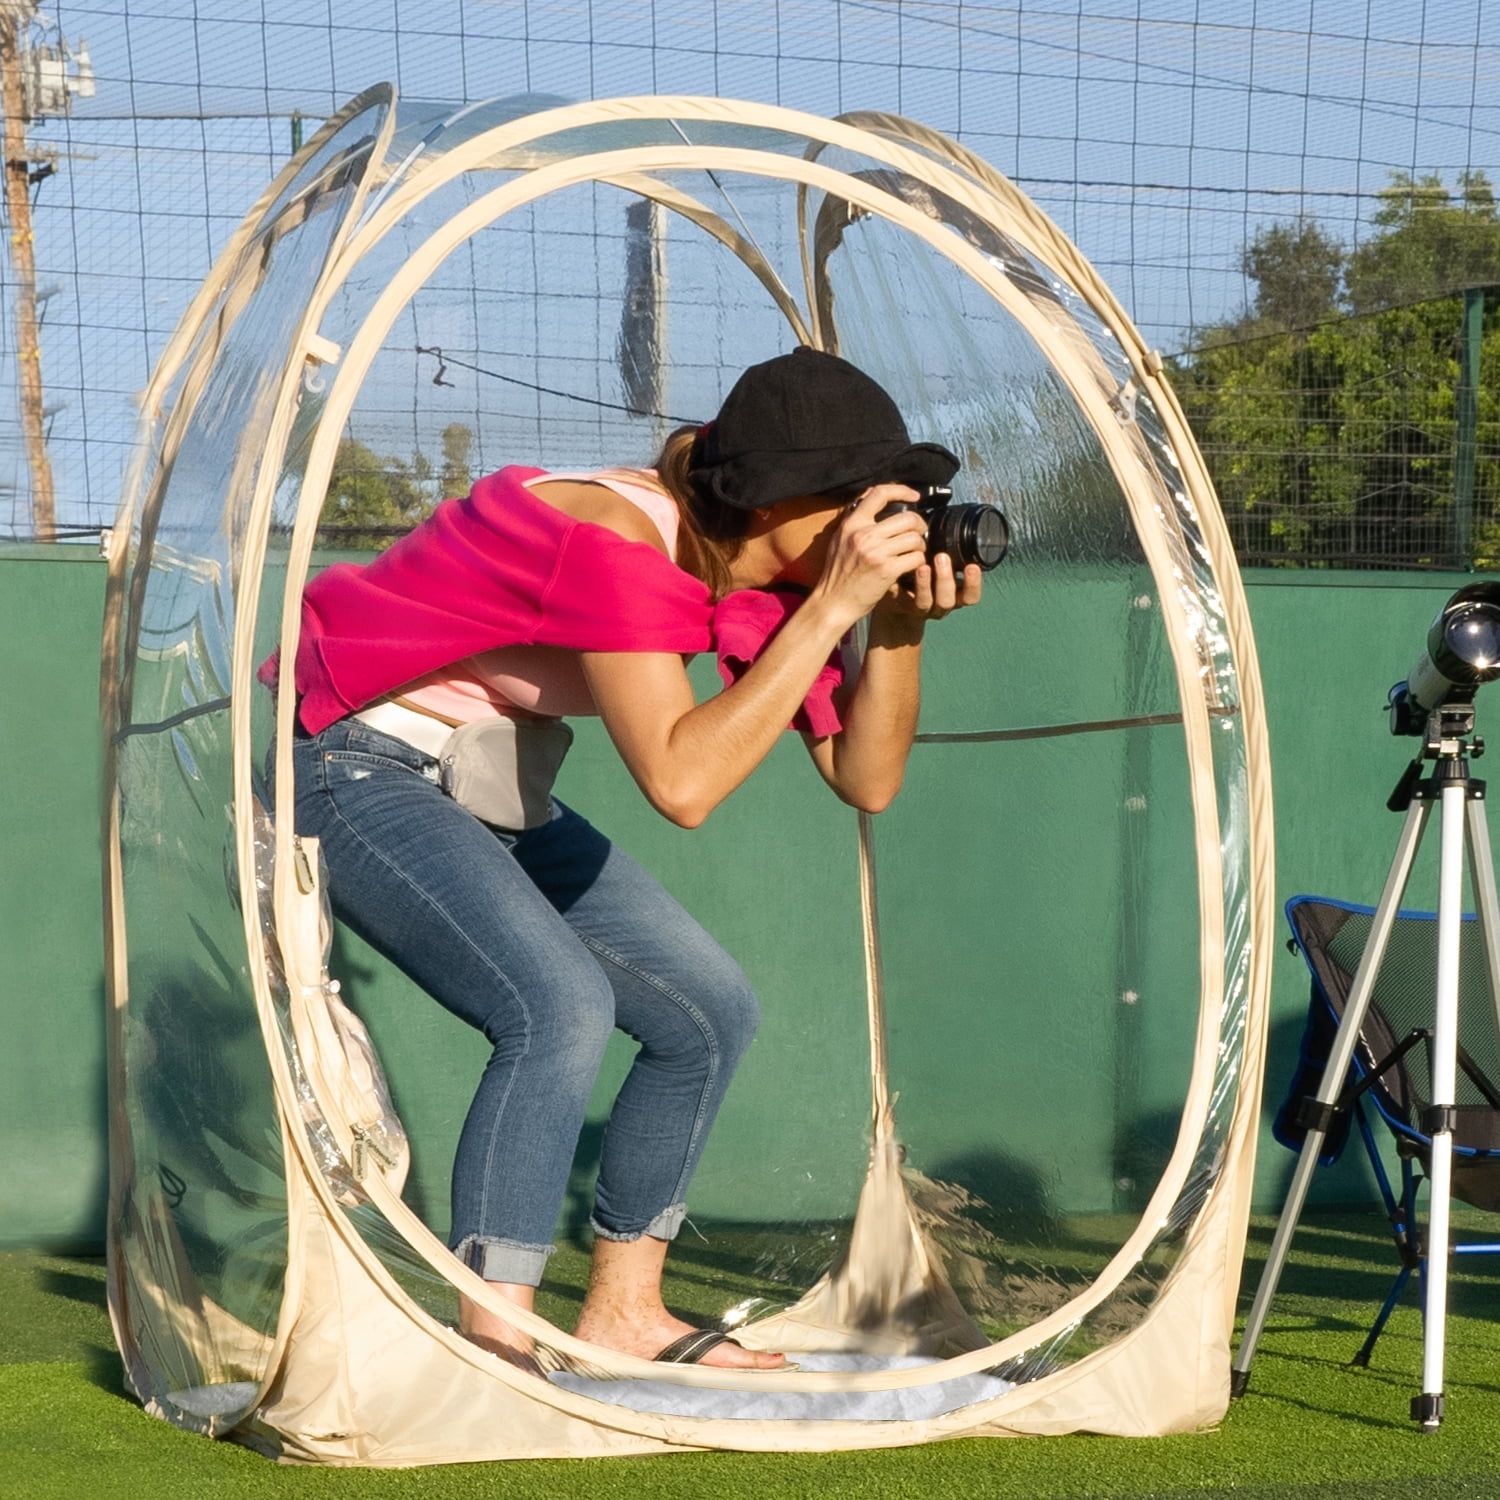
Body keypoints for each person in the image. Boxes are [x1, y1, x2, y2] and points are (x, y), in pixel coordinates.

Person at [265, 347, 983, 1373]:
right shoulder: (616, 538)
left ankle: (624, 1312)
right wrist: (833, 608)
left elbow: (865, 779)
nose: (873, 527)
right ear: (770, 499)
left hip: (485, 787)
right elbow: (683, 785)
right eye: (851, 502)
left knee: (706, 1012)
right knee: (557, 1005)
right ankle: (498, 1337)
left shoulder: (774, 574)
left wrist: (899, 626)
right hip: (352, 763)